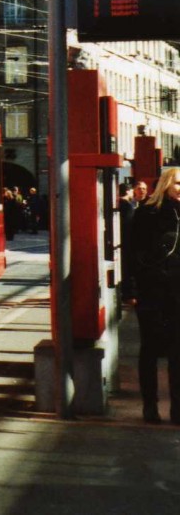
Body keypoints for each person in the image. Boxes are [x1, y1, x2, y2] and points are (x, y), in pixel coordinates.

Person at [123, 167, 180, 424]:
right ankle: (150, 406)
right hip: (152, 292)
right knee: (150, 351)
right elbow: (131, 253)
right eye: (178, 183)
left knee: (178, 353)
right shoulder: (147, 214)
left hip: (177, 295)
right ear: (166, 184)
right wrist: (131, 290)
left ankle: (178, 409)